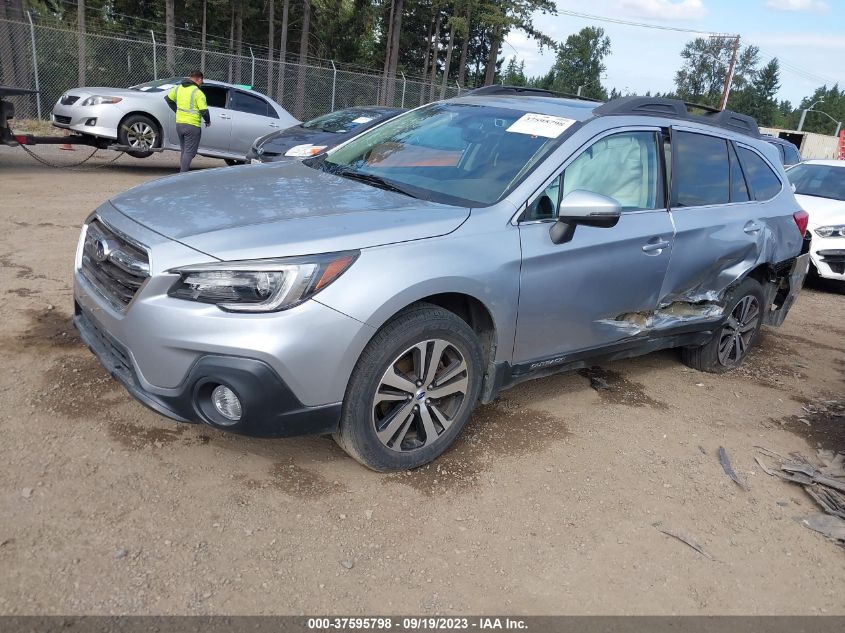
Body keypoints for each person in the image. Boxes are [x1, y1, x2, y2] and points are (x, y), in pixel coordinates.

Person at [165, 71, 210, 173]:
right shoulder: (198, 92)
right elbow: (204, 110)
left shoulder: (178, 88)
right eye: (201, 82)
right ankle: (182, 175)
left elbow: (168, 99)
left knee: (185, 151)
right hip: (192, 126)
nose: (201, 84)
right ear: (199, 79)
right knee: (190, 153)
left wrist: (177, 110)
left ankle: (183, 172)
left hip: (180, 124)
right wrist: (208, 121)